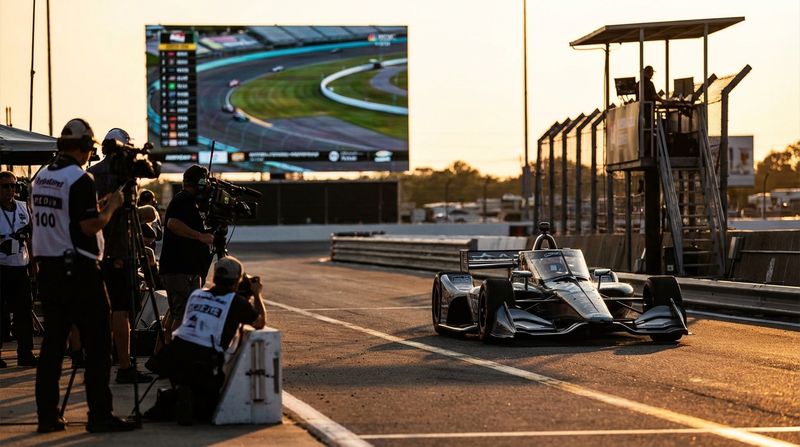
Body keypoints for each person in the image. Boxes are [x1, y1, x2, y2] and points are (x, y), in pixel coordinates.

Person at [32, 118, 137, 433]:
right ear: (82, 148)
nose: (91, 155)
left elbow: (66, 215)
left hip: (49, 268)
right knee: (99, 344)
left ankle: (47, 416)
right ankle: (100, 415)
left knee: (53, 347)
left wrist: (98, 205)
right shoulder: (79, 179)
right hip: (78, 269)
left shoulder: (42, 176)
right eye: (90, 149)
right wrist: (112, 206)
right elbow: (89, 226)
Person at [153, 256, 265, 424]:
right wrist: (256, 295)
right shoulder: (236, 302)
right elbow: (259, 323)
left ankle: (183, 394)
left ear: (214, 277)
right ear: (237, 281)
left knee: (191, 380)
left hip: (173, 357)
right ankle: (192, 399)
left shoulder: (196, 295)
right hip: (204, 361)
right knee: (207, 407)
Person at [87, 128, 151, 384]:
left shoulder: (91, 173)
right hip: (119, 251)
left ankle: (103, 358)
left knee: (102, 310)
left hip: (96, 250)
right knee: (122, 309)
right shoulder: (121, 175)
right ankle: (124, 364)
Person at [158, 165, 214, 344]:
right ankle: (176, 354)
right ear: (200, 182)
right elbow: (173, 223)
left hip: (183, 268)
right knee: (183, 316)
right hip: (180, 269)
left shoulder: (190, 201)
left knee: (176, 313)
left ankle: (161, 354)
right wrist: (199, 236)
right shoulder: (183, 199)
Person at [0, 171, 37, 368]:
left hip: (20, 267)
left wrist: (34, 264)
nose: (10, 190)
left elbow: (31, 237)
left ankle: (25, 352)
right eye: (5, 186)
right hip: (1, 266)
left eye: (13, 186)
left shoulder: (23, 207)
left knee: (24, 312)